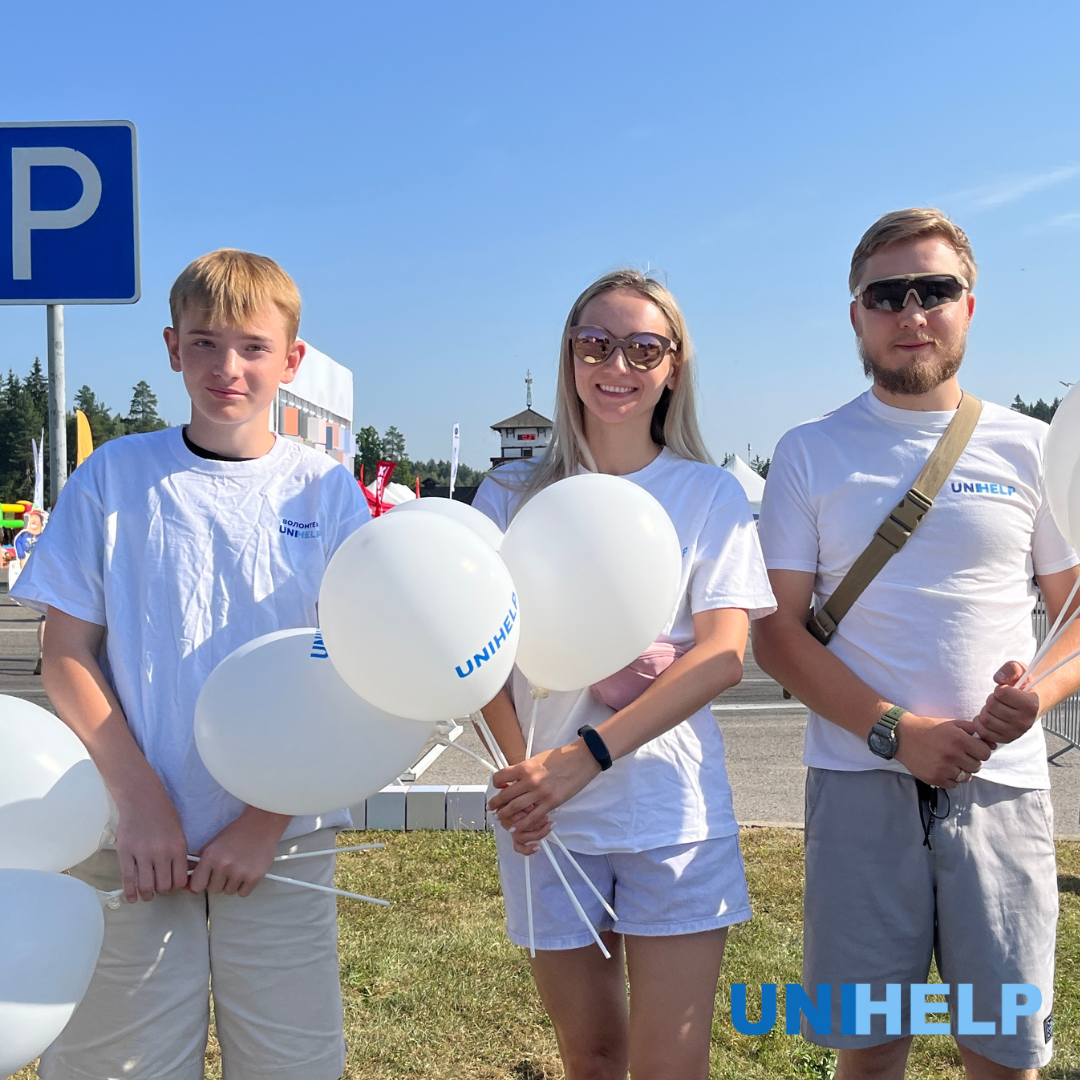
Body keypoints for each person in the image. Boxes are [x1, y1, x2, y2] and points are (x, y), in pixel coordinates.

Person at [10, 249, 371, 1079]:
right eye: (205, 343)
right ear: (173, 348)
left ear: (292, 360)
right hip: (129, 838)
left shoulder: (325, 494)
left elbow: (355, 679)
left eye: (253, 347)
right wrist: (140, 803)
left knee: (291, 1062)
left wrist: (265, 820)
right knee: (117, 1062)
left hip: (282, 841)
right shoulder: (115, 477)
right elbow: (66, 654)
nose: (227, 367)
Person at [752, 208, 1080, 1080]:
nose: (912, 312)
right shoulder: (808, 452)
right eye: (886, 294)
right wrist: (898, 732)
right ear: (855, 316)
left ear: (969, 305)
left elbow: (1075, 616)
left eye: (934, 289)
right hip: (857, 782)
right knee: (867, 1050)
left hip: (1001, 786)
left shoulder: (1031, 447)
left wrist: (1035, 697)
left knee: (1004, 1052)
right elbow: (775, 635)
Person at [473, 269, 776, 1080]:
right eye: (596, 344)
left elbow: (723, 654)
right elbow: (476, 656)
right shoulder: (507, 494)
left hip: (670, 813)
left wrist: (587, 756)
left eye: (644, 348)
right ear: (569, 356)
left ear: (674, 367)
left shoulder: (707, 493)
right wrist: (525, 777)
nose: (617, 366)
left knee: (671, 1064)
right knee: (592, 1059)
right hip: (546, 816)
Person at [11, 507, 48, 673]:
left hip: (37, 579)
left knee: (46, 617)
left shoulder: (22, 537)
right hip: (49, 578)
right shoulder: (48, 536)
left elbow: (22, 560)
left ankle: (43, 655)